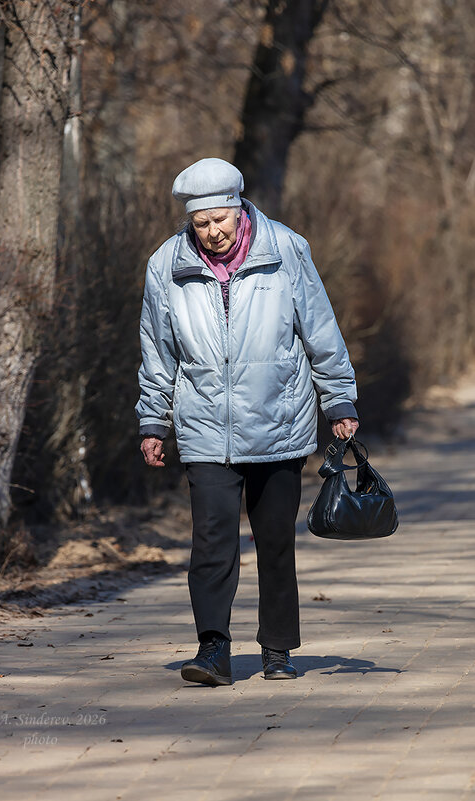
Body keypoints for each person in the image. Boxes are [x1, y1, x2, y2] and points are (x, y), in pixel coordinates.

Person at [136, 157, 359, 686]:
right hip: (205, 427)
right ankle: (212, 649)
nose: (212, 233)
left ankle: (277, 648)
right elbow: (157, 350)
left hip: (280, 421)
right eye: (200, 224)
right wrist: (153, 421)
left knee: (275, 539)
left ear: (239, 210)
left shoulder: (286, 249)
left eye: (220, 220)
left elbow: (320, 329)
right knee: (211, 541)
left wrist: (340, 402)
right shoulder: (165, 264)